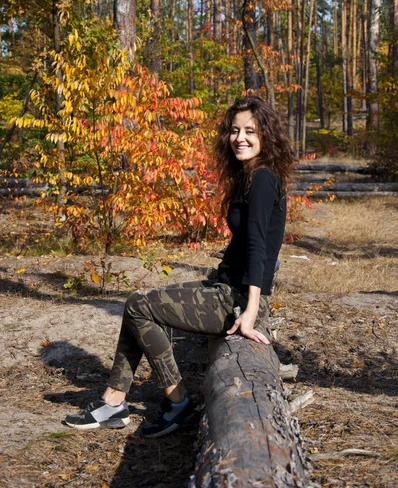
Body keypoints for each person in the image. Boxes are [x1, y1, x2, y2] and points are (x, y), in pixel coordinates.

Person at [64, 95, 294, 437]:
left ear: (266, 136)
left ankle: (177, 401)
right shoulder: (250, 176)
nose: (239, 138)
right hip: (224, 288)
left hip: (236, 299)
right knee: (137, 304)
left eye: (250, 131)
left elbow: (260, 247)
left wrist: (250, 309)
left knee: (138, 306)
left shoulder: (262, 179)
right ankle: (114, 401)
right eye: (234, 131)